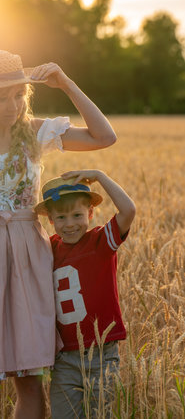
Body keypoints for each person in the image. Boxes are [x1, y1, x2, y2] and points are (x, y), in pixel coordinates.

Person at [0, 49, 117, 419]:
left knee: (30, 378)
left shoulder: (34, 132)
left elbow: (103, 136)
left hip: (30, 254)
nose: (13, 104)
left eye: (18, 95)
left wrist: (66, 84)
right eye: (2, 96)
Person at [34, 170, 136, 418]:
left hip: (102, 354)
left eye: (77, 215)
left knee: (103, 414)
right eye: (61, 217)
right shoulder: (48, 250)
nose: (70, 223)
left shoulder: (101, 242)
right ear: (50, 219)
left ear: (90, 214)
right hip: (65, 358)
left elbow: (128, 211)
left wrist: (100, 176)